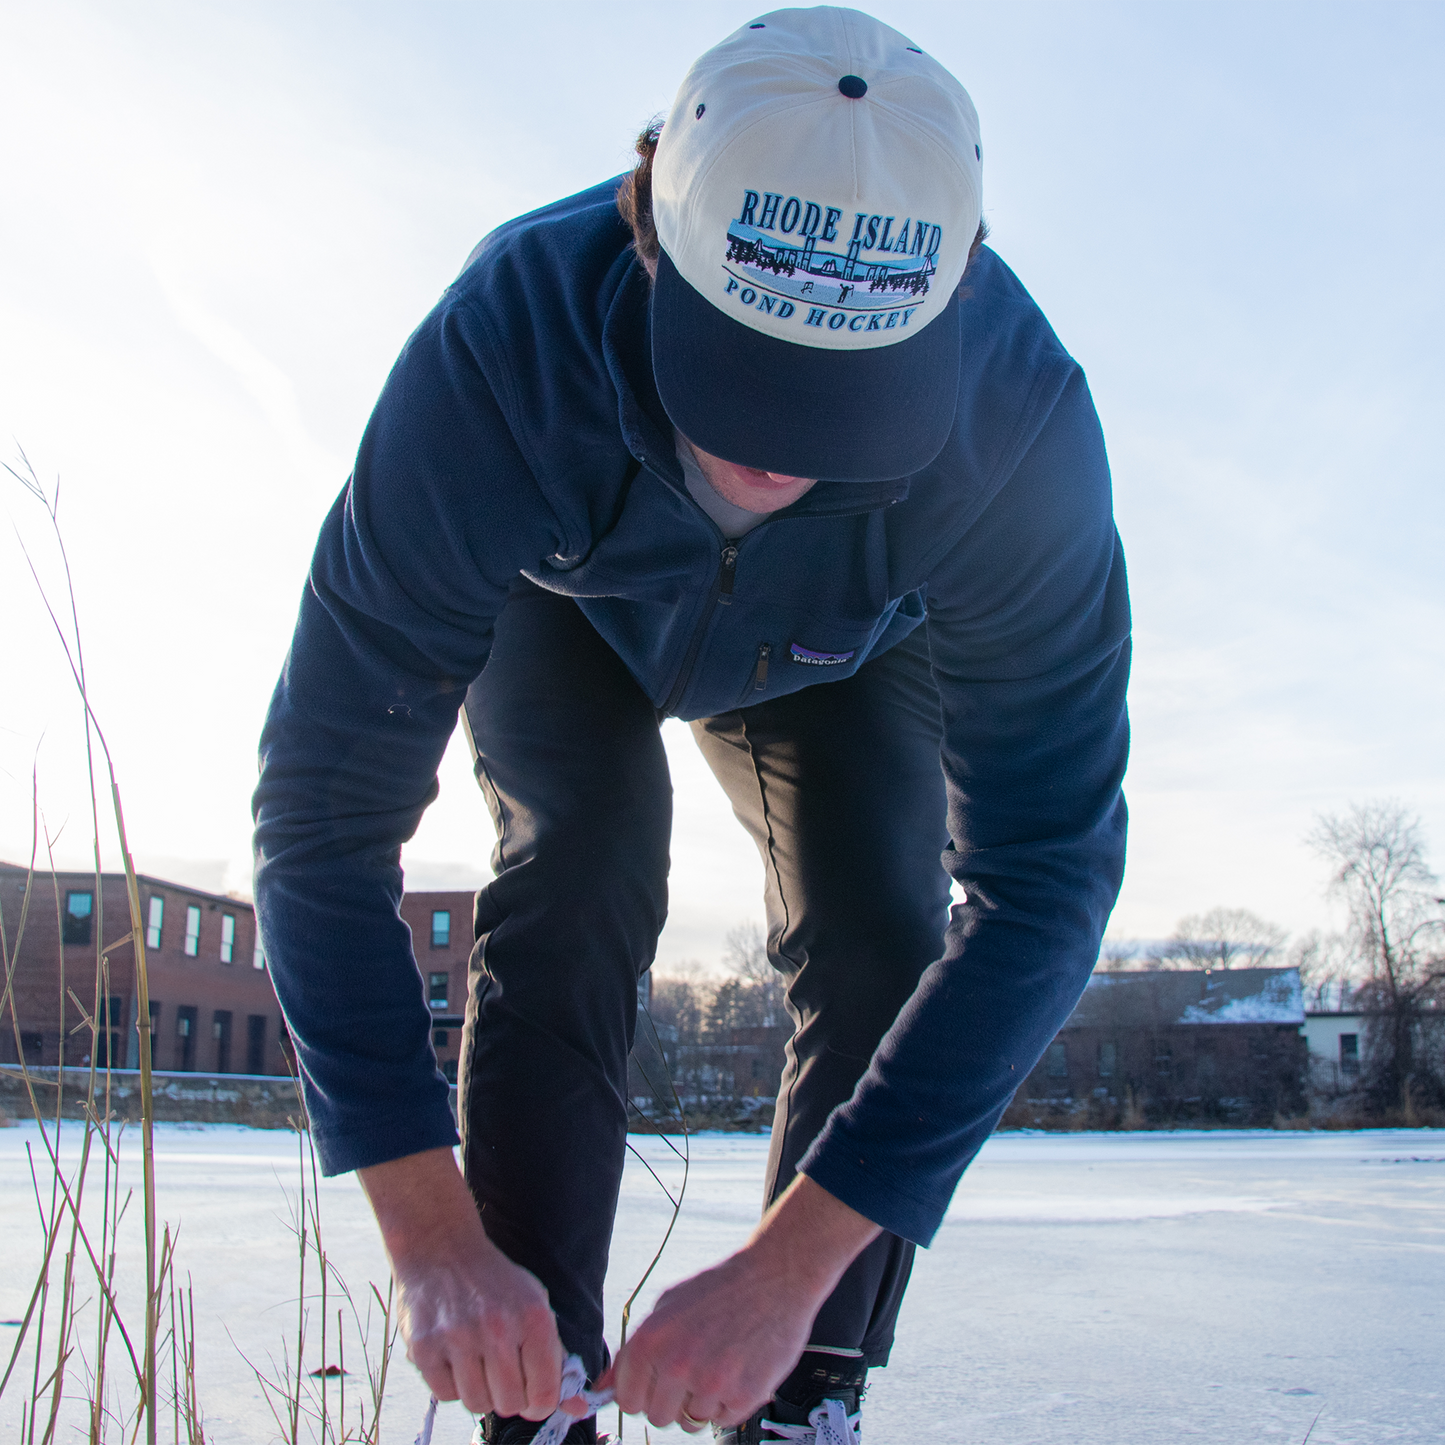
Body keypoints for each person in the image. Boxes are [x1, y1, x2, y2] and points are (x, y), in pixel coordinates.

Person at [252, 8, 1130, 1444]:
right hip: (569, 605)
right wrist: (434, 1243)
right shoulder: (504, 352)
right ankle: (533, 1394)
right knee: (585, 860)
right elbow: (323, 816)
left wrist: (789, 1275)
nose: (774, 453)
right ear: (651, 226)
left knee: (882, 924)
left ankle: (800, 1398)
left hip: (843, 644)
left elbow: (1047, 882)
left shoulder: (1018, 428)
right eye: (737, 373)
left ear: (953, 295)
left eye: (838, 402)